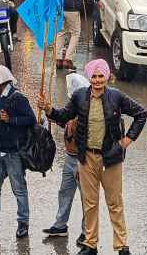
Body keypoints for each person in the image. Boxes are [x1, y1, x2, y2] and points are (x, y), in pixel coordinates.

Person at [38, 58, 147, 255]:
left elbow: (141, 114)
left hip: (111, 159)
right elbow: (63, 115)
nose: (97, 80)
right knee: (90, 203)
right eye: (94, 76)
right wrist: (48, 109)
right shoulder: (80, 96)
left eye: (101, 76)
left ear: (106, 77)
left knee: (115, 203)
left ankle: (122, 245)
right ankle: (90, 244)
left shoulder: (116, 97)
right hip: (86, 158)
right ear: (89, 77)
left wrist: (127, 140)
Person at [0, 65, 37, 239]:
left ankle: (23, 222)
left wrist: (11, 119)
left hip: (14, 152)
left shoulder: (18, 98)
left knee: (19, 188)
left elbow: (31, 119)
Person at [43, 73, 90, 246]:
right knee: (65, 192)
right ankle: (60, 225)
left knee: (87, 199)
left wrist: (81, 163)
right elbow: (63, 119)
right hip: (69, 160)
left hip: (81, 161)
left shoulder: (85, 113)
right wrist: (50, 113)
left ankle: (87, 232)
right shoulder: (73, 110)